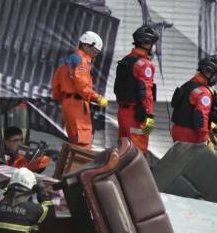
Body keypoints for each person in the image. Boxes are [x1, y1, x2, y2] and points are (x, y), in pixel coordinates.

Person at [50, 31, 108, 149]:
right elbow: (82, 86)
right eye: (95, 51)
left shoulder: (67, 60)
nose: (95, 54)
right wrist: (97, 98)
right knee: (82, 143)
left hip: (68, 104)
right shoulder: (82, 61)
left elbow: (56, 84)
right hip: (77, 105)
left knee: (74, 140)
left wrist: (62, 100)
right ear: (86, 46)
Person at [114, 25, 158, 154]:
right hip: (136, 116)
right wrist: (150, 115)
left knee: (123, 152)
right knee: (137, 154)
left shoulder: (125, 60)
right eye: (153, 43)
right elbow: (146, 92)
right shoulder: (145, 65)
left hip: (123, 112)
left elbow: (118, 88)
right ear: (147, 43)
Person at [170, 55, 217, 146]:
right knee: (199, 155)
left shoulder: (187, 85)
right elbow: (201, 117)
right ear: (209, 72)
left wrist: (213, 128)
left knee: (180, 155)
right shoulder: (204, 92)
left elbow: (187, 110)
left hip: (177, 130)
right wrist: (204, 139)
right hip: (191, 134)